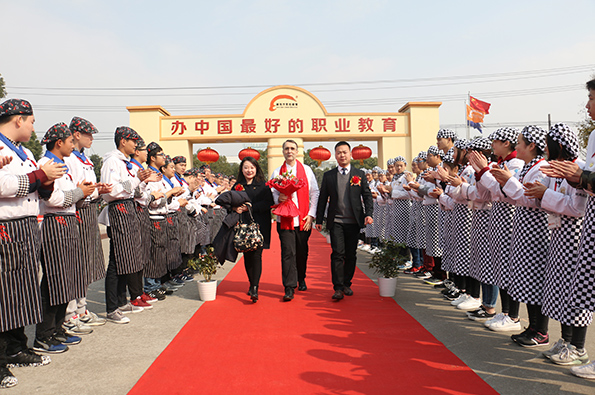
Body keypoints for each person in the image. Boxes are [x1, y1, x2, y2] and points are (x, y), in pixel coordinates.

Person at [0, 99, 64, 388]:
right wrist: (40, 176)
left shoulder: (25, 152)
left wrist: (46, 182)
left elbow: (38, 189)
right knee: (4, 293)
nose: (33, 126)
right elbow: (4, 186)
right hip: (6, 226)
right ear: (17, 120)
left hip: (26, 225)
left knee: (20, 291)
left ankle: (16, 347)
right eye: (31, 121)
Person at [34, 123, 96, 353]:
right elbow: (52, 199)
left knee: (65, 279)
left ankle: (58, 327)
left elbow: (68, 196)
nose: (73, 145)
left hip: (68, 221)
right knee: (53, 280)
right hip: (54, 223)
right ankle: (44, 334)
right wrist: (80, 192)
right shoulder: (46, 165)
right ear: (59, 142)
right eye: (70, 141)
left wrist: (82, 192)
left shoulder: (63, 166)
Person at [99, 127, 157, 324]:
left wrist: (142, 182)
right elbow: (110, 191)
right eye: (133, 141)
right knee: (116, 261)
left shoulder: (124, 163)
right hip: (118, 209)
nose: (136, 145)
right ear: (123, 141)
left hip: (128, 208)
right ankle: (111, 307)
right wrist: (136, 180)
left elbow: (132, 189)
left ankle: (121, 301)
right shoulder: (112, 161)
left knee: (126, 259)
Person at [63, 116, 110, 331]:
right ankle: (70, 313)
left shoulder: (85, 159)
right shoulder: (69, 158)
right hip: (78, 210)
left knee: (87, 264)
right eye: (89, 134)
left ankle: (81, 308)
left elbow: (88, 188)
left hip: (89, 210)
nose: (92, 138)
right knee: (77, 264)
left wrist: (100, 190)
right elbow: (72, 188)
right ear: (77, 134)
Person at [315, 141, 373, 300]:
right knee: (337, 254)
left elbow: (367, 196)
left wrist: (369, 214)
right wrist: (319, 219)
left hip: (353, 221)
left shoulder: (359, 174)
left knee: (351, 254)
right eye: (339, 152)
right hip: (336, 221)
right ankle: (338, 287)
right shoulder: (329, 175)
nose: (342, 155)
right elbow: (322, 198)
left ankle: (347, 283)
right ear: (335, 155)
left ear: (350, 154)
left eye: (345, 152)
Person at [271, 140, 319, 301]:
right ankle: (289, 286)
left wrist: (311, 215)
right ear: (283, 151)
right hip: (284, 219)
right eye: (286, 148)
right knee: (287, 253)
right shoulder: (277, 172)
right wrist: (279, 197)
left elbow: (315, 193)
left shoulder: (306, 170)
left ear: (297, 151)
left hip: (303, 219)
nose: (289, 151)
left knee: (301, 251)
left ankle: (301, 277)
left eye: (292, 148)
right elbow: (272, 193)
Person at [231, 157, 274, 302]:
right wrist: (235, 208)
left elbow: (269, 203)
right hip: (243, 225)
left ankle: (255, 287)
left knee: (256, 255)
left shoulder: (264, 185)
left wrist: (250, 207)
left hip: (259, 224)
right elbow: (229, 202)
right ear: (241, 170)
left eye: (252, 167)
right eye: (246, 167)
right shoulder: (237, 185)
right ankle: (251, 283)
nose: (249, 170)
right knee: (247, 256)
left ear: (256, 169)